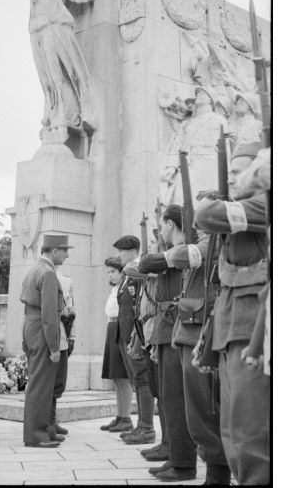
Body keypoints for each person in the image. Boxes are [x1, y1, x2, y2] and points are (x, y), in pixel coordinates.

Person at [193, 141, 269, 485]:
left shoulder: (264, 204)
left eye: (240, 172)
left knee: (251, 431)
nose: (233, 180)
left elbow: (206, 215)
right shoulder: (243, 206)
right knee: (232, 429)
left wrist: (220, 199)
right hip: (229, 325)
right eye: (232, 173)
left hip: (251, 325)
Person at [141, 205, 231, 484]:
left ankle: (213, 473)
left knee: (205, 410)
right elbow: (146, 265)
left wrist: (167, 254)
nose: (198, 219)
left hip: (201, 330)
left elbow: (188, 255)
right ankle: (198, 467)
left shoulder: (213, 243)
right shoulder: (202, 242)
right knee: (193, 410)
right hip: (187, 328)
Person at [20, 0, 95, 141]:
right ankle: (54, 118)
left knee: (59, 75)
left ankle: (67, 119)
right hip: (37, 30)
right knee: (47, 81)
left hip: (56, 25)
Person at [20, 234, 72, 448]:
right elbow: (50, 314)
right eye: (65, 250)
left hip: (32, 326)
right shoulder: (49, 273)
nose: (67, 255)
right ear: (54, 251)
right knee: (41, 385)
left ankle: (46, 430)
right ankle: (36, 435)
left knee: (40, 383)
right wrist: (54, 347)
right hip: (42, 329)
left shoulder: (34, 269)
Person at [113, 235, 156, 445]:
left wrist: (134, 337)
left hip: (136, 335)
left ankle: (147, 427)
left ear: (132, 251)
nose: (118, 255)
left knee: (142, 379)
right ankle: (141, 425)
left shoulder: (138, 270)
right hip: (125, 333)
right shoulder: (127, 275)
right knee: (135, 380)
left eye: (121, 251)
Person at [99, 257, 134, 433]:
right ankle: (120, 416)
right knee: (116, 377)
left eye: (113, 271)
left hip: (120, 327)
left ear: (121, 272)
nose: (110, 275)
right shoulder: (114, 289)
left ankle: (126, 417)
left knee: (123, 375)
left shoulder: (125, 288)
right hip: (112, 327)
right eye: (109, 272)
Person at [51, 267, 76, 436]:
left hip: (63, 337)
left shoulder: (67, 281)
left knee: (59, 382)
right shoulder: (41, 276)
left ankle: (52, 419)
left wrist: (72, 336)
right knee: (48, 383)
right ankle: (46, 420)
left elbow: (72, 310)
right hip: (48, 338)